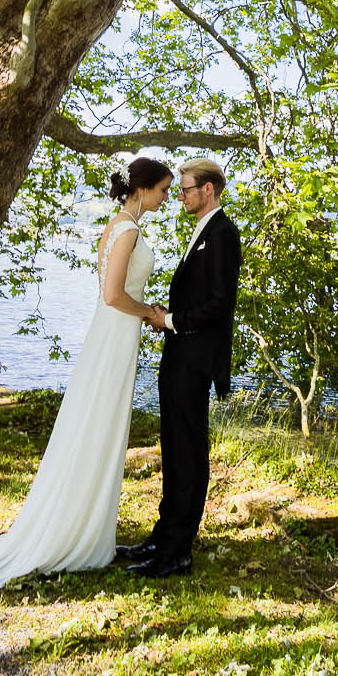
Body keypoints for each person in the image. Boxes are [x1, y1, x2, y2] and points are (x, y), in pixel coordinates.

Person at [0, 156, 173, 587]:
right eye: (163, 189)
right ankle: (75, 531)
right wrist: (148, 311)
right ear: (142, 189)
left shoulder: (117, 225)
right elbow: (112, 295)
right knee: (98, 425)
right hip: (114, 335)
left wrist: (141, 312)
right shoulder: (127, 229)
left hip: (114, 336)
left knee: (97, 425)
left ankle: (87, 523)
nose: (165, 198)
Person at [116, 157, 240, 578]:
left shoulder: (223, 233)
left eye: (185, 188)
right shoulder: (203, 231)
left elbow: (219, 305)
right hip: (180, 354)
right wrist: (169, 315)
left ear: (207, 190)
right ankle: (162, 537)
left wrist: (168, 320)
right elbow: (197, 300)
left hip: (195, 359)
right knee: (174, 448)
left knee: (188, 454)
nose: (180, 196)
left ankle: (177, 553)